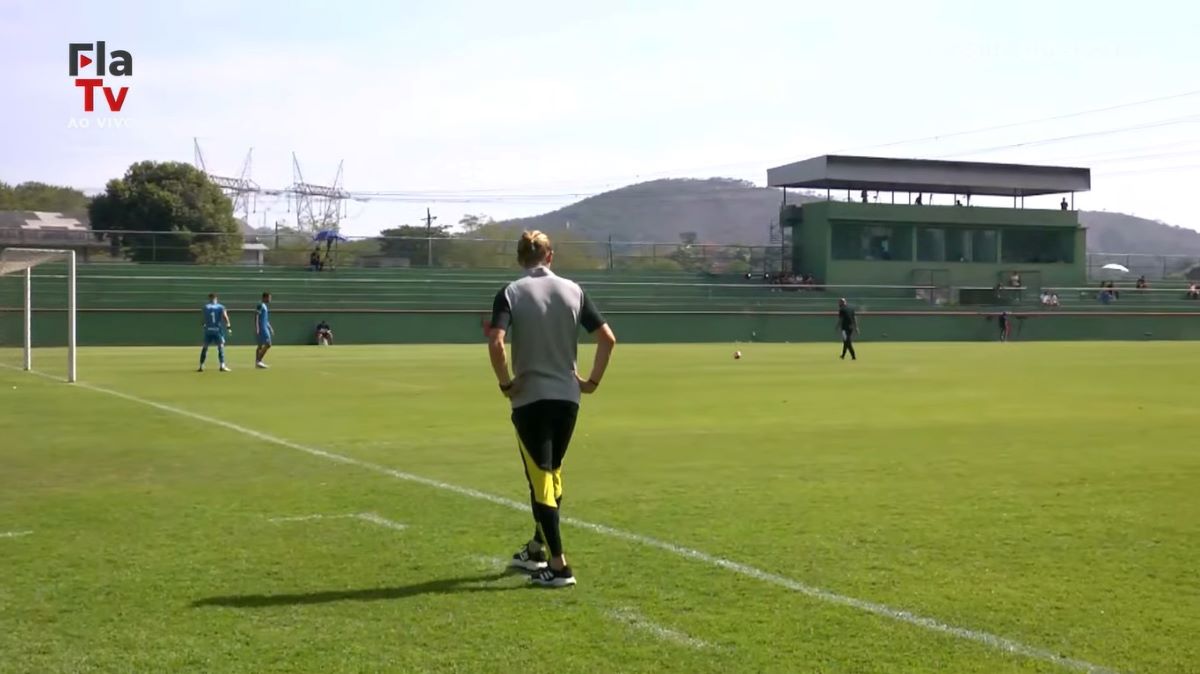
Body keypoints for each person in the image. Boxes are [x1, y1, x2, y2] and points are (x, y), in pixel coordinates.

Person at [487, 230, 616, 588]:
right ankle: (536, 550)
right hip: (567, 398)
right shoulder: (573, 290)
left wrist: (505, 382)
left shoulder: (510, 292)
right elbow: (607, 338)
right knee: (551, 473)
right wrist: (591, 382)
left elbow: (497, 342)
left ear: (519, 258)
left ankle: (560, 568)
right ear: (550, 256)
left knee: (541, 479)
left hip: (530, 399)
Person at [199, 293, 231, 372]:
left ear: (209, 298)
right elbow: (225, 317)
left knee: (205, 347)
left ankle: (201, 366)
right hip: (217, 330)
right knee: (220, 347)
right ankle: (222, 365)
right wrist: (228, 327)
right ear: (216, 298)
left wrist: (205, 326)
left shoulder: (205, 307)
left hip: (208, 330)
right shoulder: (221, 307)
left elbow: (203, 320)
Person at [255, 291, 273, 369]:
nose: (270, 299)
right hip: (262, 328)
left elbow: (265, 319)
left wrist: (270, 327)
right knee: (268, 344)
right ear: (264, 297)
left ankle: (257, 363)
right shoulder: (260, 305)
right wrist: (257, 327)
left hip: (265, 327)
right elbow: (256, 316)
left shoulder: (265, 306)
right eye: (269, 297)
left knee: (260, 345)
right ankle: (259, 361)